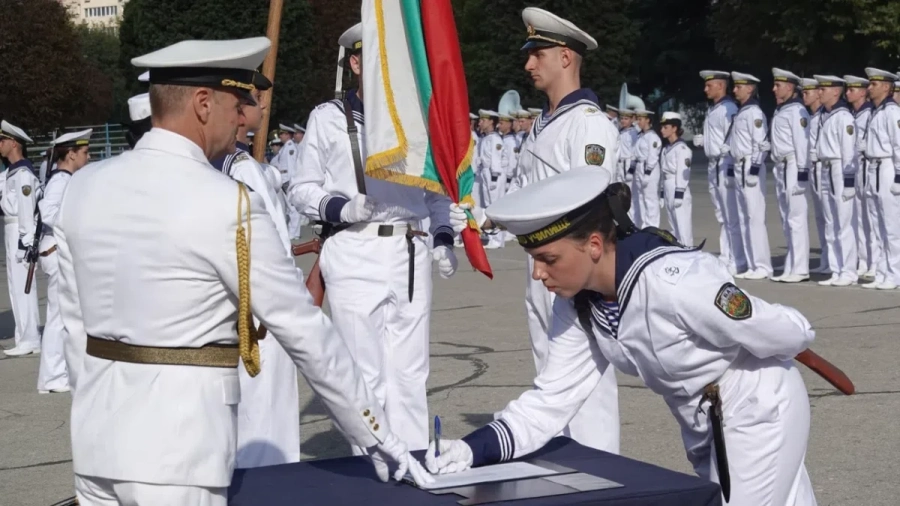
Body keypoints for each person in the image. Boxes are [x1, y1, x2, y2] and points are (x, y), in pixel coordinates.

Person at [60, 37, 430, 505]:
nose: (243, 118)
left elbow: (74, 327)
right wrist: (377, 432)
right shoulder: (226, 202)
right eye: (237, 105)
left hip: (96, 445)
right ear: (202, 103)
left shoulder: (84, 187)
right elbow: (304, 330)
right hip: (178, 455)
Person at [431, 166, 818, 506]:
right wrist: (470, 450)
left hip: (756, 404)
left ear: (594, 245)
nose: (538, 274)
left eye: (549, 259)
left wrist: (790, 338)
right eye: (535, 260)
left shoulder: (675, 284)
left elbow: (787, 331)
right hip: (702, 417)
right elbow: (551, 400)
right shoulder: (578, 305)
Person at [451, 6, 620, 455]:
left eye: (537, 54)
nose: (528, 64)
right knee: (551, 374)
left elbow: (591, 201)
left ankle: (601, 471)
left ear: (565, 57)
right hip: (544, 266)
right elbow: (533, 194)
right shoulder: (546, 122)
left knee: (585, 388)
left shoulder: (588, 124)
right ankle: (568, 462)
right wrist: (486, 218)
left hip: (574, 269)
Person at [289, 24, 457, 454]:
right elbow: (301, 188)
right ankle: (375, 465)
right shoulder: (329, 118)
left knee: (411, 372)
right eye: (377, 59)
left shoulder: (415, 118)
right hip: (354, 247)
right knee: (365, 372)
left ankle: (414, 461)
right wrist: (341, 208)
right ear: (357, 63)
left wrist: (443, 236)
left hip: (408, 246)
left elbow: (435, 189)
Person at [209, 72, 299, 467]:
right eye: (252, 99)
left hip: (242, 300)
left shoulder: (231, 163)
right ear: (239, 112)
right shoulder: (243, 168)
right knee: (267, 410)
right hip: (263, 305)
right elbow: (272, 243)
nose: (262, 105)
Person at [35, 129, 92, 394]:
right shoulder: (61, 180)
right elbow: (47, 212)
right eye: (85, 152)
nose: (88, 157)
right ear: (71, 154)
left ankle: (58, 372)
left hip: (58, 250)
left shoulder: (66, 179)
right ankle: (51, 376)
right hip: (56, 251)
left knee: (63, 315)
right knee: (58, 317)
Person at [694, 70, 744, 276]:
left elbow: (732, 138)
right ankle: (726, 255)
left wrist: (730, 167)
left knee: (731, 215)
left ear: (721, 86)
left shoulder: (728, 109)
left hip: (725, 164)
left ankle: (737, 258)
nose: (705, 89)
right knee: (721, 214)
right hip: (713, 164)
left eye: (709, 85)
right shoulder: (714, 109)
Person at [0, 120, 41, 357]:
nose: (0, 145)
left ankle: (30, 338)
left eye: (2, 140)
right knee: (16, 288)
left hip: (19, 230)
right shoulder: (12, 172)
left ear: (14, 143)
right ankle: (24, 336)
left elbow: (26, 211)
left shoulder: (23, 174)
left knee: (23, 287)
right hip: (11, 228)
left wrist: (26, 243)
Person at [727, 72, 773, 280]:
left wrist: (754, 169)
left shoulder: (754, 113)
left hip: (749, 165)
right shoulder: (742, 112)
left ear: (750, 89)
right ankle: (751, 263)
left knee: (754, 217)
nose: (735, 90)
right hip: (739, 165)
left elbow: (761, 144)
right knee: (744, 217)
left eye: (739, 87)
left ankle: (762, 265)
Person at [814, 75, 858, 287]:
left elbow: (849, 152)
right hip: (825, 167)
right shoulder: (826, 115)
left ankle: (848, 271)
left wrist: (849, 182)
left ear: (835, 92)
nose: (819, 92)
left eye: (823, 89)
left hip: (839, 168)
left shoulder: (844, 117)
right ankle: (836, 268)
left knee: (843, 222)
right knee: (830, 222)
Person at [769, 68, 810, 283]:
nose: (773, 89)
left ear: (790, 87)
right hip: (781, 165)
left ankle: (800, 268)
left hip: (793, 164)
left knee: (796, 217)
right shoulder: (782, 110)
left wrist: (802, 172)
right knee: (786, 218)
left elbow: (801, 143)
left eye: (778, 85)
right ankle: (791, 264)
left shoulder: (797, 111)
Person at [862, 68, 900, 290]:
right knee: (878, 225)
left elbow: (899, 145)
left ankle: (895, 274)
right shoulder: (877, 111)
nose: (869, 88)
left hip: (887, 167)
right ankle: (883, 272)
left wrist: (898, 176)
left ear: (886, 87)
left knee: (892, 225)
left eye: (873, 84)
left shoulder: (892, 112)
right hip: (873, 167)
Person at [845, 75, 876, 278]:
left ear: (863, 93)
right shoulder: (854, 115)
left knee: (872, 218)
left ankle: (875, 261)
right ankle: (864, 260)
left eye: (852, 90)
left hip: (868, 167)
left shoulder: (869, 113)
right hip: (856, 168)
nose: (848, 93)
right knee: (859, 218)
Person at [802, 78, 830, 274]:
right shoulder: (812, 117)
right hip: (814, 168)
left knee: (830, 217)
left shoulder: (824, 116)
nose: (805, 96)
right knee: (820, 217)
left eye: (808, 92)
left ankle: (833, 261)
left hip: (824, 167)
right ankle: (826, 259)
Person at [659, 112, 693, 246]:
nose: (662, 130)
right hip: (668, 186)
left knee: (683, 225)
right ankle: (678, 250)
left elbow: (683, 173)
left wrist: (679, 193)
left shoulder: (682, 149)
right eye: (662, 127)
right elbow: (663, 173)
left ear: (674, 128)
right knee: (673, 225)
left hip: (677, 186)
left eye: (665, 127)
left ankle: (687, 250)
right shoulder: (666, 149)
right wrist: (662, 194)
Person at [632, 109, 661, 228]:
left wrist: (648, 173)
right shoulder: (641, 136)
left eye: (640, 119)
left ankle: (652, 226)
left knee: (650, 200)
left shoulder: (652, 137)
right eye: (637, 119)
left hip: (649, 169)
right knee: (641, 199)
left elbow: (653, 156)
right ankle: (644, 226)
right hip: (640, 168)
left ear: (648, 120)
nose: (638, 122)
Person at [616, 109, 639, 184]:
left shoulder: (633, 133)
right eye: (622, 118)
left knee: (628, 185)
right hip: (619, 163)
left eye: (626, 119)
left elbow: (635, 151)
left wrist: (631, 168)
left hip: (628, 163)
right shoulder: (620, 131)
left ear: (632, 120)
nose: (623, 121)